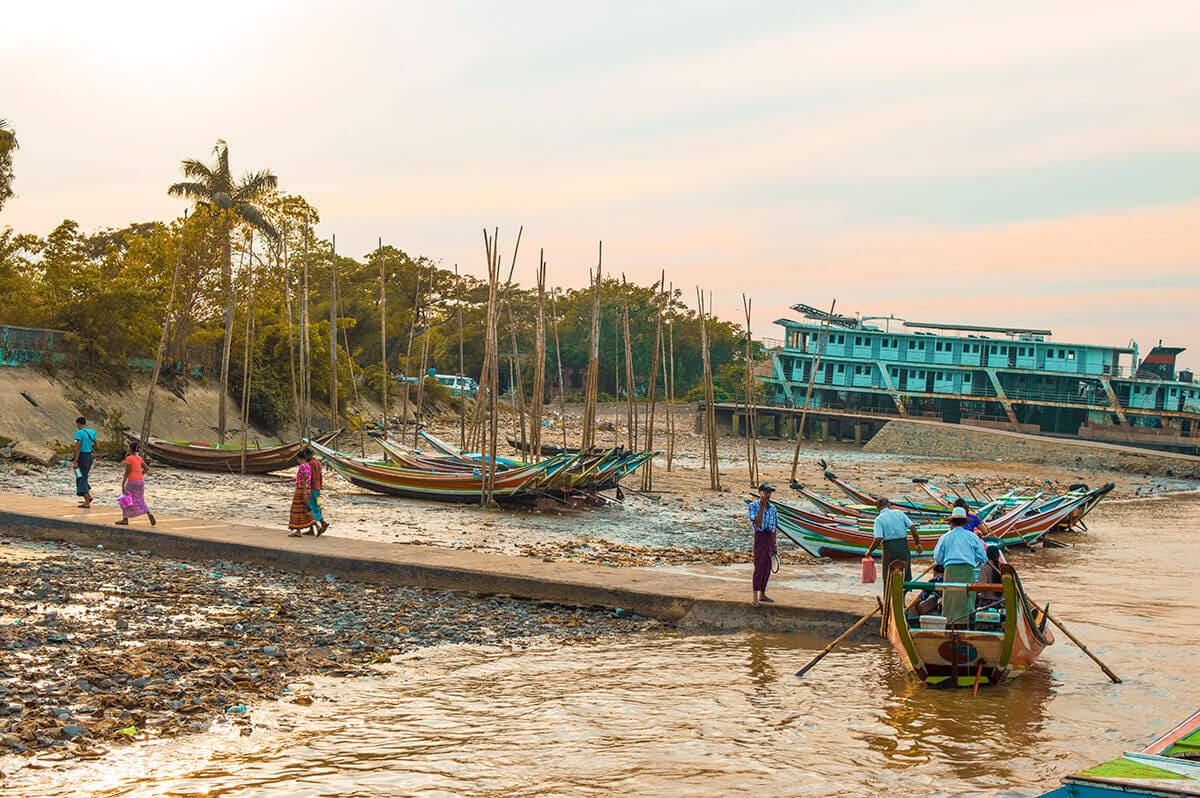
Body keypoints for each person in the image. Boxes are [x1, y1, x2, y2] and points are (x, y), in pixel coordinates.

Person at [933, 506, 988, 626]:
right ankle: (966, 623)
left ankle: (949, 623)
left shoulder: (945, 537)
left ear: (951, 523)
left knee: (950, 598)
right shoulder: (972, 537)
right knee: (967, 597)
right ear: (964, 523)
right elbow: (983, 558)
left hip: (950, 571)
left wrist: (944, 562)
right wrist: (974, 559)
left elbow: (937, 558)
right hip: (968, 570)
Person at [864, 497, 922, 587]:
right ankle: (903, 593)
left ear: (878, 508)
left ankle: (887, 596)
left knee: (887, 575)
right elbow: (912, 527)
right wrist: (918, 543)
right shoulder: (899, 513)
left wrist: (869, 551)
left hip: (889, 549)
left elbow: (878, 538)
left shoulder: (879, 520)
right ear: (889, 505)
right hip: (903, 547)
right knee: (905, 573)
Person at [747, 482, 779, 607]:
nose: (768, 495)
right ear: (760, 493)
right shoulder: (753, 506)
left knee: (767, 568)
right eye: (766, 492)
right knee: (759, 567)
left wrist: (775, 544)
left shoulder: (773, 508)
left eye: (769, 493)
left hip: (769, 538)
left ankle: (763, 593)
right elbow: (758, 524)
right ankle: (755, 595)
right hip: (760, 538)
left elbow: (774, 527)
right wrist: (761, 506)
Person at [116, 441, 156, 526]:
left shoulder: (129, 458)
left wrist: (123, 484)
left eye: (128, 447)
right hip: (140, 481)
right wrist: (140, 475)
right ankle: (148, 513)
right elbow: (146, 468)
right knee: (140, 499)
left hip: (132, 481)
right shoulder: (139, 458)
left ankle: (125, 519)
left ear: (130, 449)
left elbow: (127, 472)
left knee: (125, 499)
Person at [300, 449, 329, 536]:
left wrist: (304, 488)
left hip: (312, 488)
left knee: (310, 508)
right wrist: (320, 486)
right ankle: (312, 529)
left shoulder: (310, 464)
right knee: (317, 506)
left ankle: (322, 522)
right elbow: (320, 476)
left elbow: (309, 477)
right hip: (317, 488)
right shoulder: (318, 462)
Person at [288, 452, 316, 537]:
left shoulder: (302, 466)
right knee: (305, 509)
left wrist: (303, 492)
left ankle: (298, 530)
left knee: (297, 509)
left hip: (301, 490)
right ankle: (315, 525)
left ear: (300, 458)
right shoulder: (308, 466)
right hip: (307, 489)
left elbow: (303, 479)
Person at [71, 416, 97, 508]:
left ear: (78, 424)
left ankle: (86, 498)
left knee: (80, 476)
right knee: (83, 476)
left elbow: (77, 447)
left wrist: (75, 460)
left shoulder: (79, 433)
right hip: (89, 456)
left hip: (82, 456)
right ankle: (88, 496)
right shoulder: (92, 432)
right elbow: (97, 445)